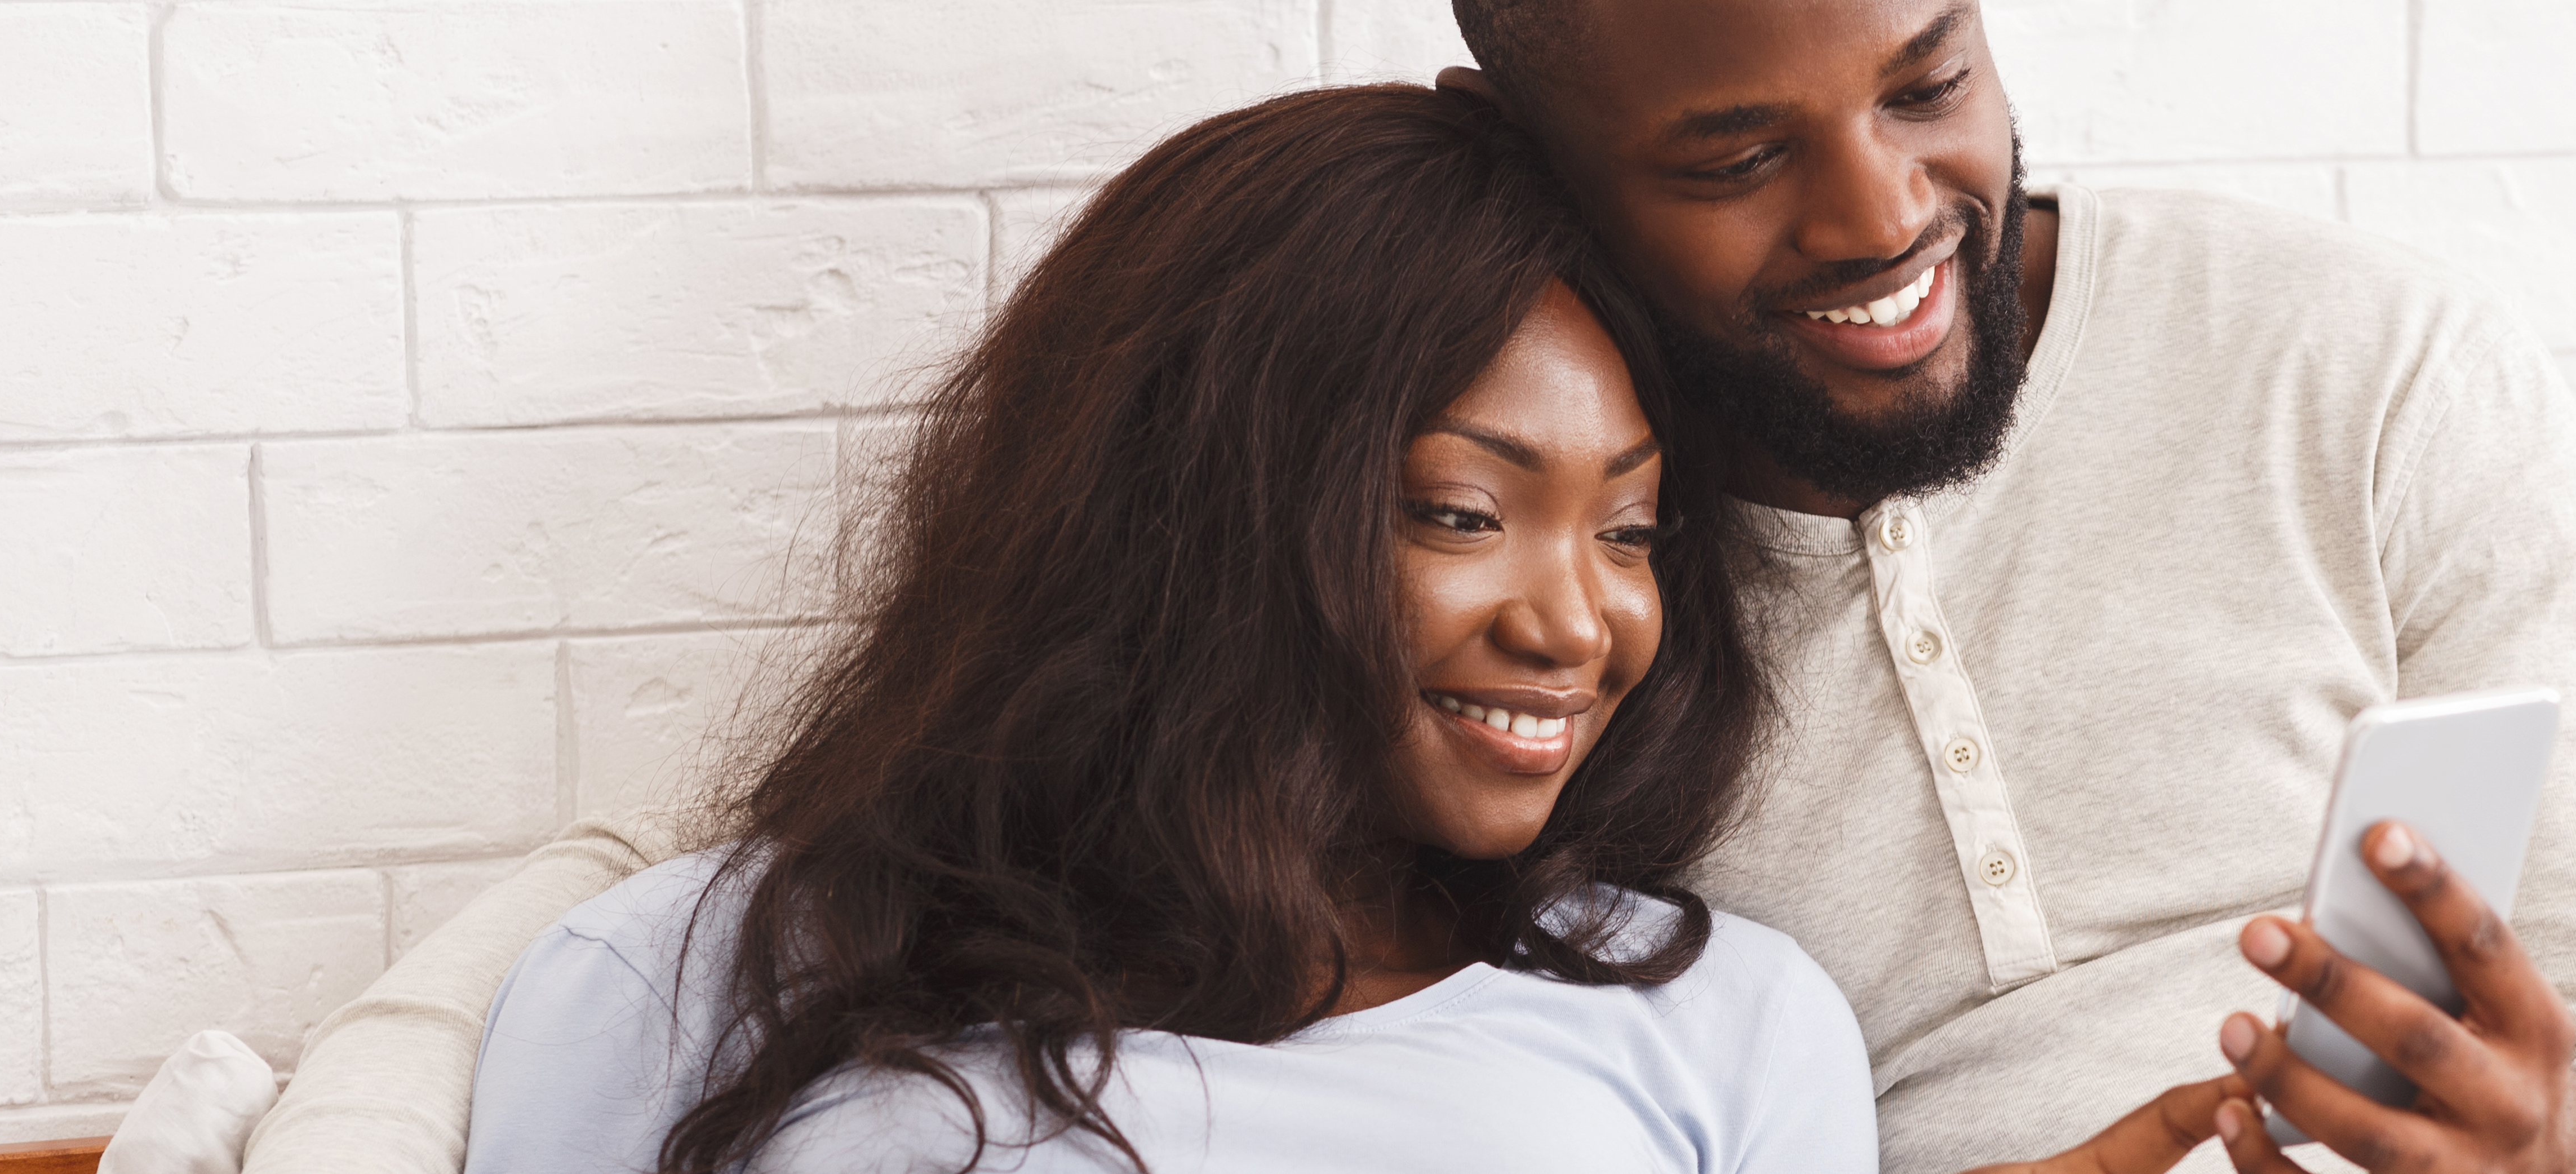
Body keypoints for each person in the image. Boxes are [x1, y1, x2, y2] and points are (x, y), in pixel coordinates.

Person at [248, 6, 2576, 1173]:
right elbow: (668, 931)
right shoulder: (1554, 763)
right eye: (1732, 151)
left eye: (1928, 76)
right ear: (1532, 156)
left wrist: (2564, 1142)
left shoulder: (2358, 358)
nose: (1886, 221)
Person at [456, 85, 1894, 1173]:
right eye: (1460, 512)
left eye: (1628, 531)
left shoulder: (1717, 1022)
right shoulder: (695, 969)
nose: (1579, 622)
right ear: (1199, 511)